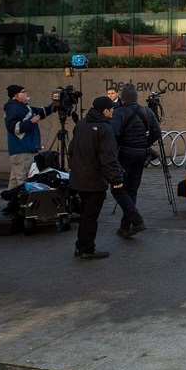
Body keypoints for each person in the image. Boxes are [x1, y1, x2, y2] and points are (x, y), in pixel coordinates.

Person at [68, 97, 124, 260]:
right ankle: (87, 248)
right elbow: (108, 158)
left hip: (79, 178)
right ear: (104, 111)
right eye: (111, 109)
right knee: (90, 216)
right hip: (94, 181)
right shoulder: (104, 129)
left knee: (85, 214)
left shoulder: (81, 124)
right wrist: (116, 179)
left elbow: (72, 150)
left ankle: (81, 246)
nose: (113, 111)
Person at [110, 84, 161, 238]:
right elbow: (156, 132)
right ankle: (125, 226)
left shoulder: (119, 113)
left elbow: (113, 135)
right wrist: (145, 143)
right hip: (141, 153)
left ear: (122, 99)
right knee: (132, 189)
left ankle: (136, 220)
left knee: (117, 189)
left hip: (125, 154)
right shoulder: (147, 111)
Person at [3, 84, 55, 188]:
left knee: (15, 183)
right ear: (16, 95)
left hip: (24, 150)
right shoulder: (14, 108)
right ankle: (24, 203)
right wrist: (31, 121)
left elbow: (40, 112)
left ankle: (12, 202)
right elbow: (14, 128)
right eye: (23, 92)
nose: (26, 93)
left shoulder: (23, 107)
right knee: (24, 181)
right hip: (22, 150)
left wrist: (55, 106)